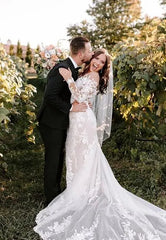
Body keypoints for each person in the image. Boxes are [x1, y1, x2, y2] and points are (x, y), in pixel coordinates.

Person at [34, 49, 166, 239]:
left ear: (104, 67)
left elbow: (79, 97)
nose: (97, 63)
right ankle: (75, 189)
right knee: (74, 156)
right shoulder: (83, 72)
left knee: (85, 156)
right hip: (74, 119)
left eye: (102, 62)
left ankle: (82, 193)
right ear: (91, 57)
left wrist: (69, 79)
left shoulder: (94, 77)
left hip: (83, 120)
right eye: (96, 58)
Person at [37, 36, 93, 205]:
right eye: (89, 50)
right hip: (51, 123)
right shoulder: (62, 68)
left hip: (60, 122)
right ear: (81, 53)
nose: (91, 53)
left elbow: (68, 93)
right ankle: (51, 199)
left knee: (58, 158)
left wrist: (80, 101)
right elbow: (49, 97)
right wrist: (71, 108)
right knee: (53, 160)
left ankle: (56, 192)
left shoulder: (73, 68)